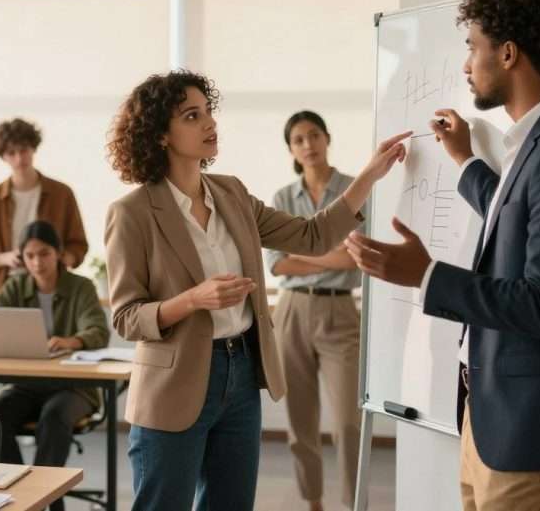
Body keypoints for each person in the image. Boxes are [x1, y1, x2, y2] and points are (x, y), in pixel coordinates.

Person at [344, 0, 540, 511]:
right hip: (493, 415)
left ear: (510, 54)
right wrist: (466, 162)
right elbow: (514, 215)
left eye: (473, 48)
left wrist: (425, 276)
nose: (466, 64)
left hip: (534, 427)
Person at [103, 70, 409, 511]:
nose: (209, 123)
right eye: (192, 116)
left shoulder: (231, 193)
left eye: (208, 112)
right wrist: (194, 299)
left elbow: (311, 236)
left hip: (241, 372)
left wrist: (369, 175)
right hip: (175, 382)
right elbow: (126, 316)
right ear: (161, 136)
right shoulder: (131, 213)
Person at [266, 111, 363, 511]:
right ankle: (313, 503)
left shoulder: (354, 190)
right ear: (291, 149)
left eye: (314, 135)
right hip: (290, 312)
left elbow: (356, 259)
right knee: (300, 421)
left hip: (341, 313)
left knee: (348, 423)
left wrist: (307, 250)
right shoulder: (283, 199)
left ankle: (352, 503)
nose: (308, 144)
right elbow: (277, 263)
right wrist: (329, 252)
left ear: (327, 138)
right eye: (299, 140)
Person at [0, 220, 109, 511]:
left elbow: (98, 331)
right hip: (28, 384)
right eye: (29, 256)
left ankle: (41, 499)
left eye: (44, 254)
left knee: (54, 417)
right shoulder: (16, 285)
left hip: (74, 386)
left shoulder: (81, 286)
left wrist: (71, 341)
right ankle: (19, 489)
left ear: (59, 253)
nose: (37, 262)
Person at [0, 117, 88, 307]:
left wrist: (57, 258)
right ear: (2, 156)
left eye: (24, 150)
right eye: (11, 152)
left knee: (55, 337)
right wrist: (7, 258)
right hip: (4, 291)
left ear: (33, 148)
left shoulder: (62, 194)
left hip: (53, 291)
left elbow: (78, 246)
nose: (19, 158)